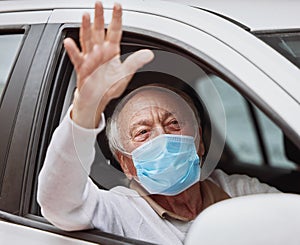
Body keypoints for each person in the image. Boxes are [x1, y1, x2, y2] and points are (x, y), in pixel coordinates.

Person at [37, 2, 279, 245]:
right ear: (126, 164)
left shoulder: (239, 192)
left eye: (174, 123)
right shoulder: (120, 209)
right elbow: (59, 204)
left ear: (200, 144)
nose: (162, 138)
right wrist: (87, 107)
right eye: (142, 132)